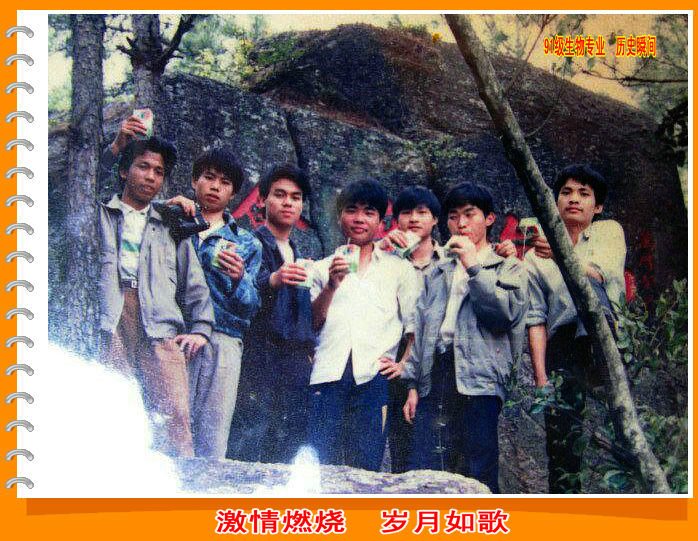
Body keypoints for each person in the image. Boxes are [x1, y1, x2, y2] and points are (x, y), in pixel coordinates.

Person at [401, 182, 527, 493]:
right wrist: (413, 385)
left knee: (477, 469)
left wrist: (474, 267)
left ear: (489, 219)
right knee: (424, 468)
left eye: (470, 215)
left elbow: (504, 315)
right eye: (454, 216)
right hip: (436, 373)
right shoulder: (438, 270)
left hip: (479, 376)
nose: (461, 224)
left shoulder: (507, 266)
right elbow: (422, 328)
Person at [98, 130, 214, 458]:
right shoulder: (101, 213)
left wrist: (201, 328)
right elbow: (83, 182)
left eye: (159, 171)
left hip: (160, 324)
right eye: (143, 166)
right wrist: (115, 146)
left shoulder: (169, 224)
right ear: (124, 171)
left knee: (176, 416)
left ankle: (183, 487)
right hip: (112, 320)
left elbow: (195, 283)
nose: (151, 176)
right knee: (117, 412)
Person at [525, 164, 626, 493]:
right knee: (562, 441)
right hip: (564, 346)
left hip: (606, 337)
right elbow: (536, 318)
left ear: (597, 207)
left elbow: (598, 275)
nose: (574, 199)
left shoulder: (608, 231)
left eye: (584, 194)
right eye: (566, 192)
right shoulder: (536, 255)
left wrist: (559, 254)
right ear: (555, 201)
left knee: (622, 435)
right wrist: (541, 377)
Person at [308, 180, 421, 472]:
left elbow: (414, 325)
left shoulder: (399, 269)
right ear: (339, 217)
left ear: (381, 222)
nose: (359, 219)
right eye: (352, 210)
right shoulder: (320, 267)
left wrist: (404, 364)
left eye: (369, 212)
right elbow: (312, 323)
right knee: (321, 467)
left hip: (373, 378)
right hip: (327, 376)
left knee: (366, 467)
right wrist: (332, 285)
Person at [166, 148, 263, 458]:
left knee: (212, 435)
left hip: (222, 339)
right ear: (195, 181)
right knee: (169, 431)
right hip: (174, 333)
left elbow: (252, 305)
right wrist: (165, 209)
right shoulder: (172, 221)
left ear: (233, 193)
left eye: (225, 182)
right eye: (208, 177)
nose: (215, 186)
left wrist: (238, 279)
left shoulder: (247, 242)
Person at [227, 164, 315, 463]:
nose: (288, 203)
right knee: (251, 439)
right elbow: (240, 295)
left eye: (295, 197)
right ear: (262, 200)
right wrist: (273, 280)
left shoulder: (296, 252)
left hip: (294, 362)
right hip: (260, 356)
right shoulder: (249, 243)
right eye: (280, 195)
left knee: (288, 446)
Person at [379, 186, 444, 472]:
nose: (414, 219)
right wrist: (381, 247)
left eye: (422, 212)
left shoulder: (449, 261)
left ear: (436, 219)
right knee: (400, 448)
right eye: (406, 213)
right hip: (393, 364)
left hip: (432, 365)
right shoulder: (387, 259)